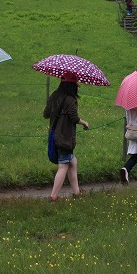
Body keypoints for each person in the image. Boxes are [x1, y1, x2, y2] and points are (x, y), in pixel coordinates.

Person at [44, 72, 89, 200]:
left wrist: (56, 111)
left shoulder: (54, 96)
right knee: (63, 166)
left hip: (54, 135)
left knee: (72, 162)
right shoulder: (71, 100)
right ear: (72, 84)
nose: (79, 84)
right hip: (65, 137)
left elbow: (46, 114)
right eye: (77, 81)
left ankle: (76, 192)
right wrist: (85, 123)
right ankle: (53, 196)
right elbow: (74, 118)